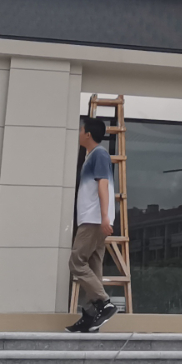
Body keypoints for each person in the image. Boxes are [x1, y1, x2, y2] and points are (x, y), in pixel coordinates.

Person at [66, 116, 118, 333]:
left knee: (76, 262)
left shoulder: (99, 154)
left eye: (81, 130)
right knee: (94, 267)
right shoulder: (92, 156)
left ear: (88, 134)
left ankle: (104, 303)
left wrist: (104, 217)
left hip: (93, 220)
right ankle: (90, 315)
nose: (79, 133)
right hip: (93, 219)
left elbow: (103, 185)